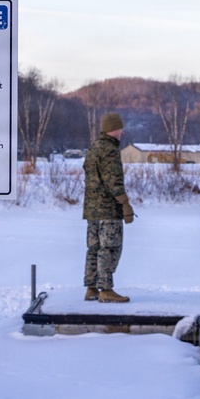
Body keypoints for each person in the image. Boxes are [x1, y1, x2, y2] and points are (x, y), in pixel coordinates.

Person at [82, 112, 135, 303]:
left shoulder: (94, 148)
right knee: (109, 248)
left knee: (94, 248)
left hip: (92, 209)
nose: (121, 132)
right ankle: (106, 289)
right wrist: (125, 203)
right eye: (120, 128)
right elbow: (114, 182)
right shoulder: (110, 150)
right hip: (107, 209)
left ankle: (91, 288)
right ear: (114, 129)